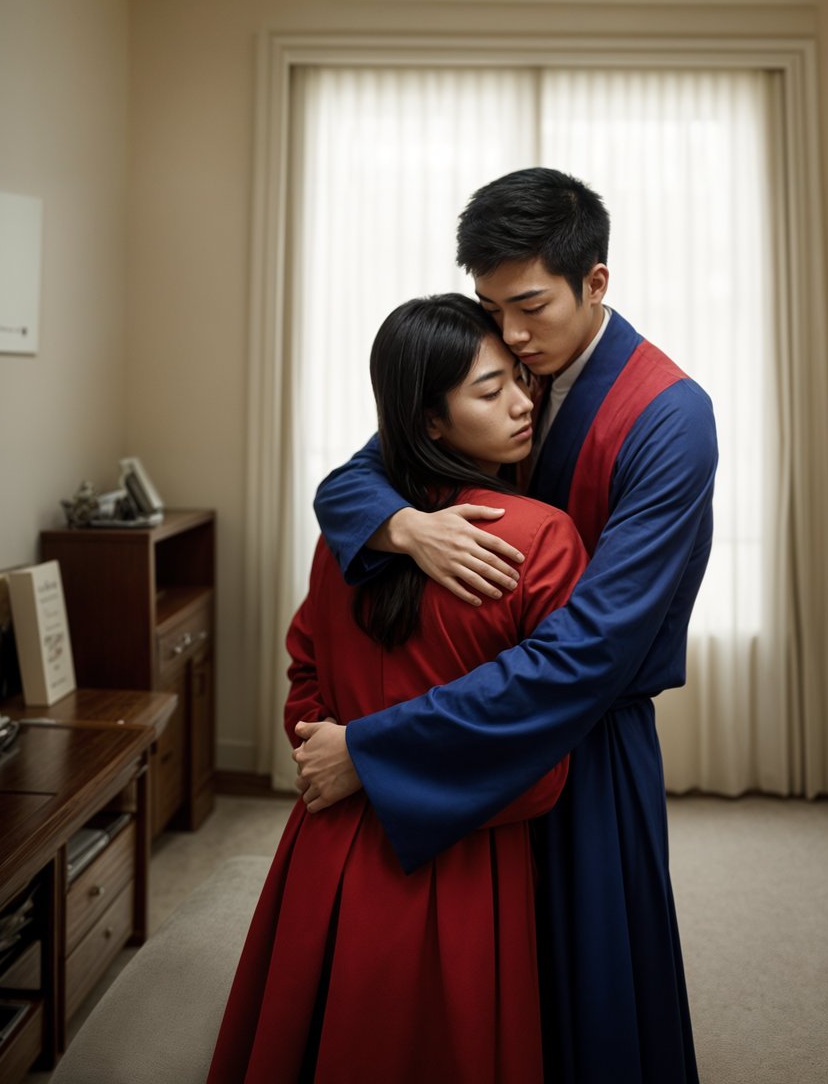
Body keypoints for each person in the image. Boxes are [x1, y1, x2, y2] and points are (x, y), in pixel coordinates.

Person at [295, 167, 719, 1084]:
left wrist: (372, 747)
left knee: (591, 974)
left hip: (585, 730)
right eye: (494, 309)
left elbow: (591, 653)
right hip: (478, 702)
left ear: (595, 283)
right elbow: (357, 477)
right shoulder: (507, 361)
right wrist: (405, 525)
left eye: (528, 306)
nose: (512, 337)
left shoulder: (670, 417)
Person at [206, 294, 587, 1084]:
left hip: (326, 841)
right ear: (430, 423)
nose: (524, 403)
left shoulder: (349, 532)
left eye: (520, 378)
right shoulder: (540, 537)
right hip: (462, 853)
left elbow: (302, 676)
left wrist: (337, 753)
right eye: (490, 390)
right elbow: (540, 745)